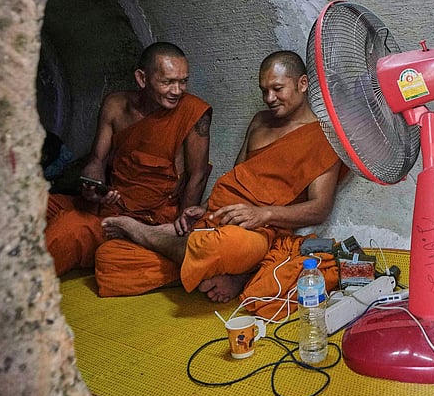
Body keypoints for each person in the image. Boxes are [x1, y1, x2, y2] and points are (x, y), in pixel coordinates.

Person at [93, 50, 344, 315]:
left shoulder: (323, 138)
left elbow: (320, 208)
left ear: (302, 84)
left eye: (277, 89)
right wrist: (205, 207)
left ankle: (153, 235)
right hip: (217, 218)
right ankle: (218, 271)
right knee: (110, 259)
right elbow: (237, 177)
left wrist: (263, 214)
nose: (269, 98)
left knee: (229, 246)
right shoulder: (259, 121)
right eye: (264, 90)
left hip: (257, 232)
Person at [45, 42, 211, 277]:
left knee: (69, 228)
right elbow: (96, 160)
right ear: (142, 78)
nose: (177, 90)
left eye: (183, 81)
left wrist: (178, 232)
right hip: (108, 200)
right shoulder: (116, 105)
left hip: (145, 218)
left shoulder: (193, 113)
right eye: (167, 82)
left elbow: (198, 174)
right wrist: (93, 186)